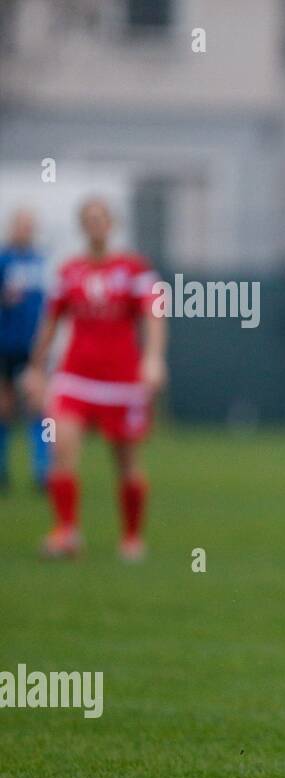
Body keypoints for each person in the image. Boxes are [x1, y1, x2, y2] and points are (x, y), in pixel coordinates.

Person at [22, 198, 165, 561]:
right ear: (82, 226)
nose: (96, 225)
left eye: (101, 218)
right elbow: (51, 322)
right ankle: (66, 532)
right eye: (89, 219)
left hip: (122, 381)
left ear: (112, 224)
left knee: (127, 461)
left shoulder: (134, 269)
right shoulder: (69, 271)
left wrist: (153, 358)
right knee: (61, 449)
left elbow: (153, 315)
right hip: (75, 377)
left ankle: (132, 538)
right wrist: (36, 369)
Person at [0, 209, 50, 492]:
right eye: (21, 225)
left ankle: (42, 471)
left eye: (29, 226)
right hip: (5, 344)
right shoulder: (3, 260)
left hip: (35, 347)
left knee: (39, 407)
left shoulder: (42, 262)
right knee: (4, 407)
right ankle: (2, 469)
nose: (26, 231)